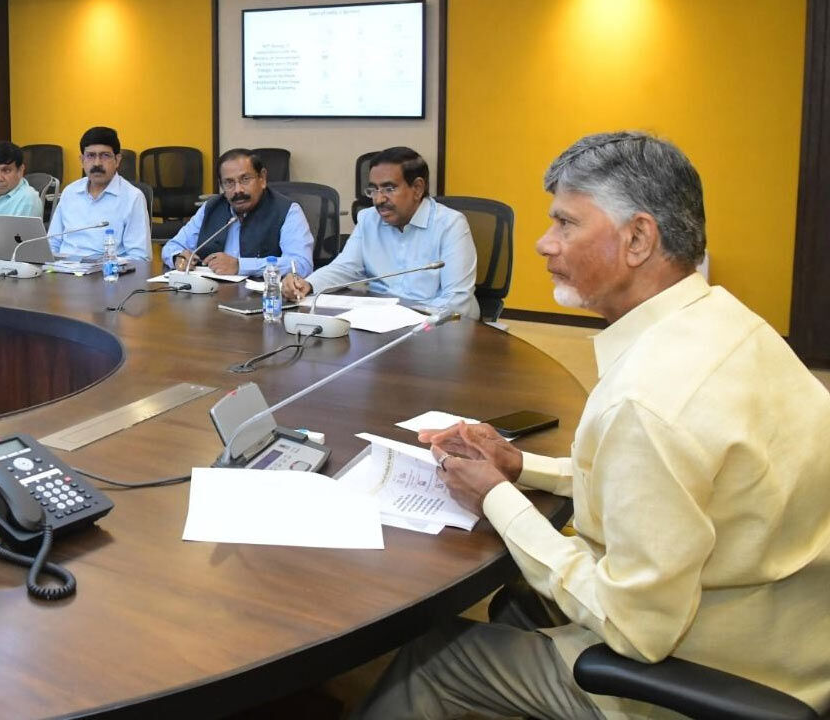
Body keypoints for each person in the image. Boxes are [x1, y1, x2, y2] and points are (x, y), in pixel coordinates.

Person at [352, 132, 830, 720]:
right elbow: (666, 487)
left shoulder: (647, 401)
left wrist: (496, 497)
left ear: (638, 239)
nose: (543, 242)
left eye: (566, 223)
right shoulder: (729, 322)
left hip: (709, 674)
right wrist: (520, 466)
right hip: (792, 639)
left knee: (430, 661)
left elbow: (634, 629)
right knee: (520, 598)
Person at [283, 147, 479, 319]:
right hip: (380, 321)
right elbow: (344, 268)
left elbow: (456, 300)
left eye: (389, 189)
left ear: (417, 188)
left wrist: (408, 319)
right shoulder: (369, 219)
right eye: (374, 190)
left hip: (433, 326)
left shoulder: (450, 225)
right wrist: (308, 284)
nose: (378, 199)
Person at [161, 148, 313, 277]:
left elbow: (301, 264)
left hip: (262, 297)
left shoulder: (287, 210)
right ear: (221, 185)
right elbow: (172, 246)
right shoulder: (211, 207)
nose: (238, 190)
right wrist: (177, 258)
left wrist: (240, 266)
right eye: (229, 183)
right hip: (212, 295)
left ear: (262, 178)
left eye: (245, 179)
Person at [47, 126, 150, 261]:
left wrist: (104, 265)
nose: (97, 163)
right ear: (82, 160)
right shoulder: (70, 192)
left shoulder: (133, 197)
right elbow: (52, 243)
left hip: (107, 271)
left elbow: (140, 258)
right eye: (90, 156)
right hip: (63, 269)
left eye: (105, 155)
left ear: (117, 160)